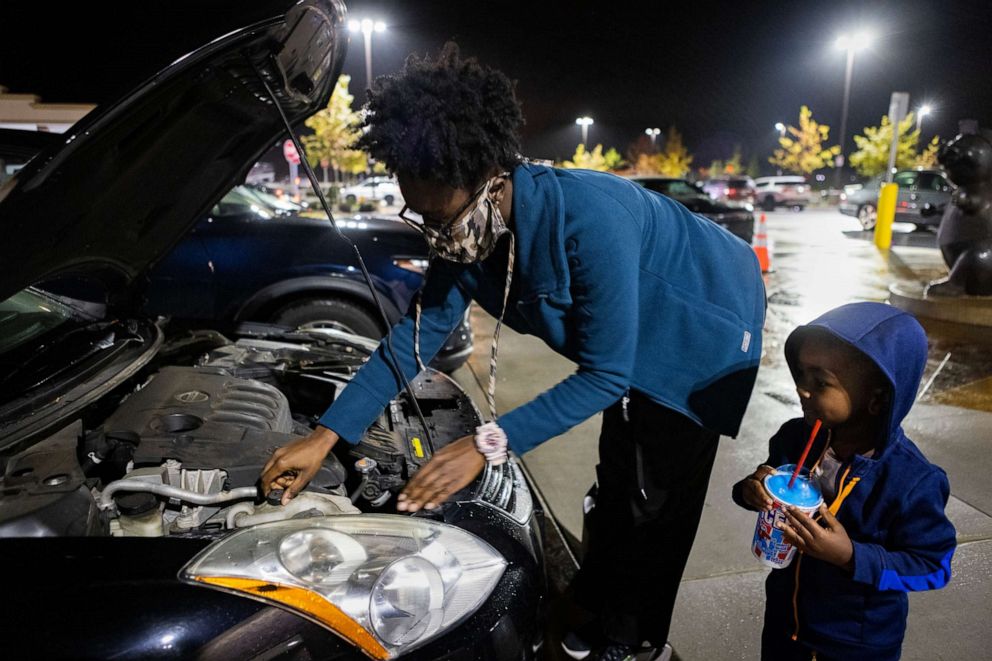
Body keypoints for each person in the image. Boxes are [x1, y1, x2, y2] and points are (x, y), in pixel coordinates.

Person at [262, 44, 766, 660]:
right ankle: (598, 601)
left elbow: (607, 374)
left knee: (654, 505)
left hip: (700, 331)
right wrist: (327, 435)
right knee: (617, 485)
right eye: (419, 217)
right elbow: (414, 336)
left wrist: (483, 446)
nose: (437, 235)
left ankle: (636, 640)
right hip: (636, 339)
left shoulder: (589, 217)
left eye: (439, 213)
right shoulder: (469, 235)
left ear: (487, 174)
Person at [732, 302, 956, 661]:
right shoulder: (795, 437)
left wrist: (851, 556)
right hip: (784, 625)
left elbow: (933, 566)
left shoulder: (913, 480)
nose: (803, 390)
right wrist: (750, 490)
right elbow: (768, 479)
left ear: (877, 398)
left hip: (855, 645)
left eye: (820, 382)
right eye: (801, 375)